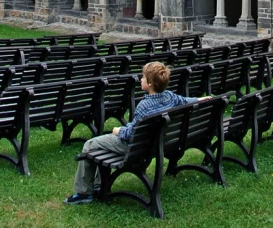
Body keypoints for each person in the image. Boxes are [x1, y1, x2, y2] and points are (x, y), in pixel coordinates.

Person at [64, 60, 207, 205]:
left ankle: (84, 193)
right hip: (155, 145)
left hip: (135, 148)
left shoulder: (144, 106)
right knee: (100, 143)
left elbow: (131, 135)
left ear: (150, 83)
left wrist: (117, 130)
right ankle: (97, 185)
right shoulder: (169, 96)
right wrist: (202, 99)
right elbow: (185, 101)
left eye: (143, 77)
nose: (141, 79)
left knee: (90, 144)